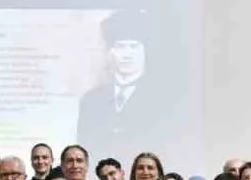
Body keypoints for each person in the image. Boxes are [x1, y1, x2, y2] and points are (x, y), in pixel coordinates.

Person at [76, 11, 179, 166]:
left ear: (145, 51)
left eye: (134, 47)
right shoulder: (91, 101)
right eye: (120, 47)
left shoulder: (163, 100)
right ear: (110, 52)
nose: (127, 55)